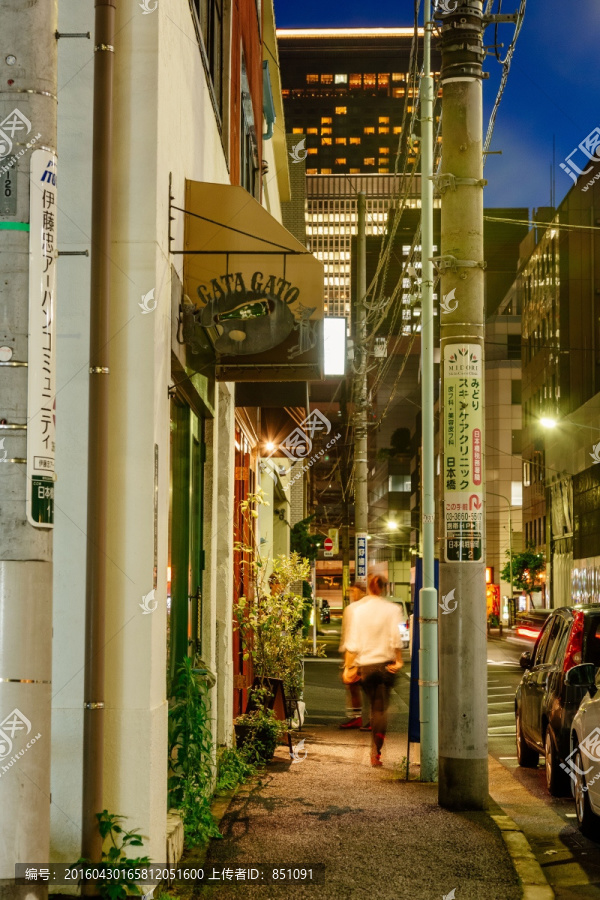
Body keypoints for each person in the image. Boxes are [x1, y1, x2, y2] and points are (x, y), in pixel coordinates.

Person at [344, 573, 404, 766]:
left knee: (373, 706)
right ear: (385, 588)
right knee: (380, 709)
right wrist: (399, 660)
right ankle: (375, 753)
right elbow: (396, 637)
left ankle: (374, 737)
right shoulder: (393, 609)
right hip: (386, 666)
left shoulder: (359, 610)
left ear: (369, 588)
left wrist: (348, 668)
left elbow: (352, 643)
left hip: (366, 666)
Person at [338, 579, 368, 728]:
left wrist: (346, 655)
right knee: (367, 687)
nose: (352, 594)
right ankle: (366, 718)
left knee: (353, 686)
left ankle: (358, 717)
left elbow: (348, 633)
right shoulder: (370, 608)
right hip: (369, 653)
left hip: (355, 653)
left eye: (354, 591)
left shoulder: (352, 609)